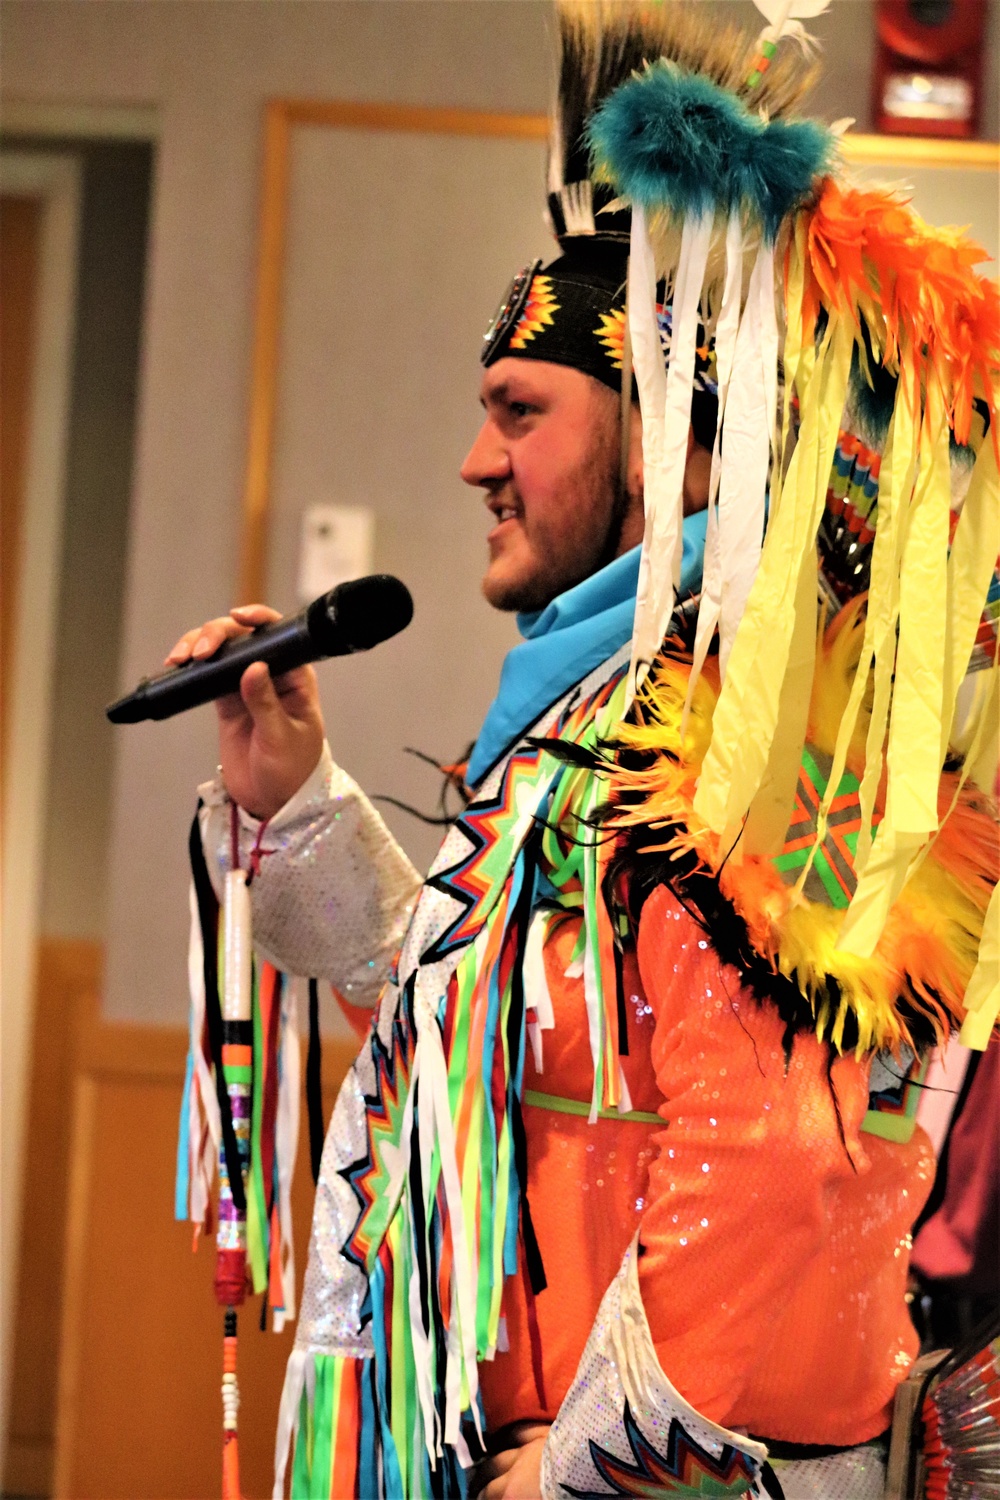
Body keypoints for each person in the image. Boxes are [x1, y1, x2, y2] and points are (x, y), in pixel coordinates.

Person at [171, 7, 999, 1499]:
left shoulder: (739, 741)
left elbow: (790, 1165)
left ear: (667, 429)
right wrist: (296, 806)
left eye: (519, 413)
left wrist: (593, 1466)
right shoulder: (605, 716)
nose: (477, 461)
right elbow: (493, 1043)